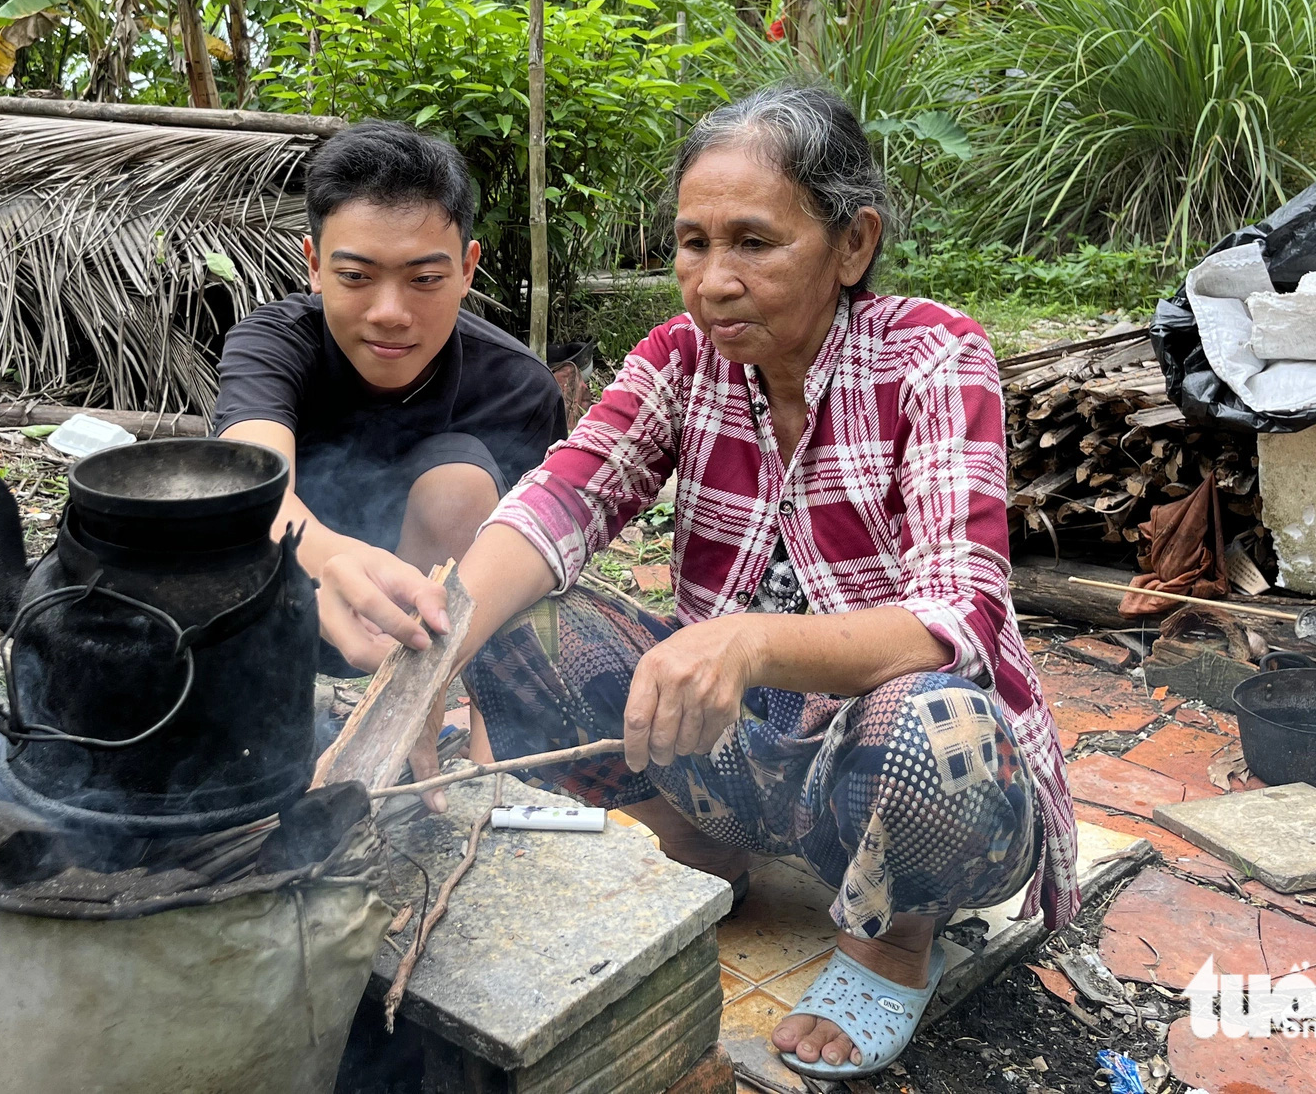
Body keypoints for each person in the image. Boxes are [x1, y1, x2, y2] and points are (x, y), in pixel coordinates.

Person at [320, 84, 1079, 1079]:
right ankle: (697, 836)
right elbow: (558, 505)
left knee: (935, 722)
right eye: (691, 242)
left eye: (753, 243)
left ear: (850, 245)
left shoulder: (933, 356)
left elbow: (957, 617)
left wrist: (750, 642)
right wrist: (427, 663)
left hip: (891, 770)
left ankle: (890, 940)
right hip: (732, 749)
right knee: (505, 611)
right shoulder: (683, 360)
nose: (712, 281)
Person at [214, 119, 566, 674]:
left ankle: (430, 698)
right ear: (314, 265)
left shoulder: (518, 388)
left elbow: (526, 561)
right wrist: (335, 559)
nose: (390, 314)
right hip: (280, 616)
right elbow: (244, 478)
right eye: (356, 276)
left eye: (424, 279)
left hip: (438, 640)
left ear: (468, 268)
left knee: (460, 486)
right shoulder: (274, 344)